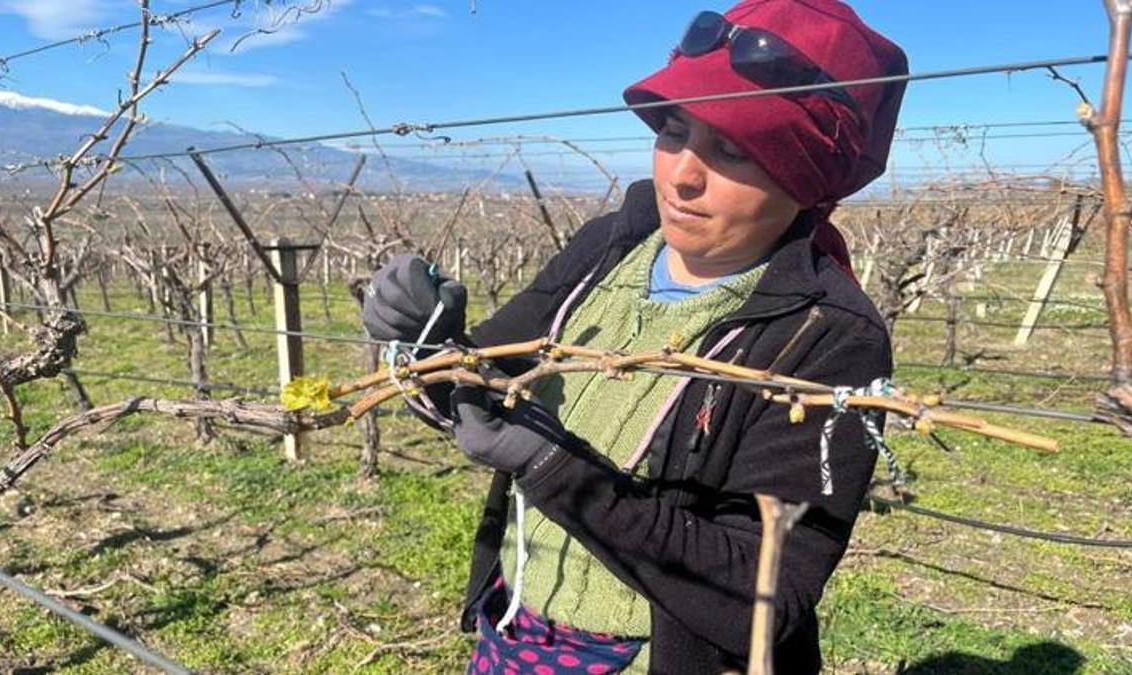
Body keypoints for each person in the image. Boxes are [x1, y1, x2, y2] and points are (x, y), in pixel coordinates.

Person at [362, 0, 908, 672]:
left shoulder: (826, 337)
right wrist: (427, 344)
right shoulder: (609, 248)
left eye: (732, 149)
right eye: (674, 131)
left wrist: (553, 468)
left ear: (806, 178)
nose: (682, 173)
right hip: (516, 629)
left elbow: (764, 596)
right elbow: (477, 392)